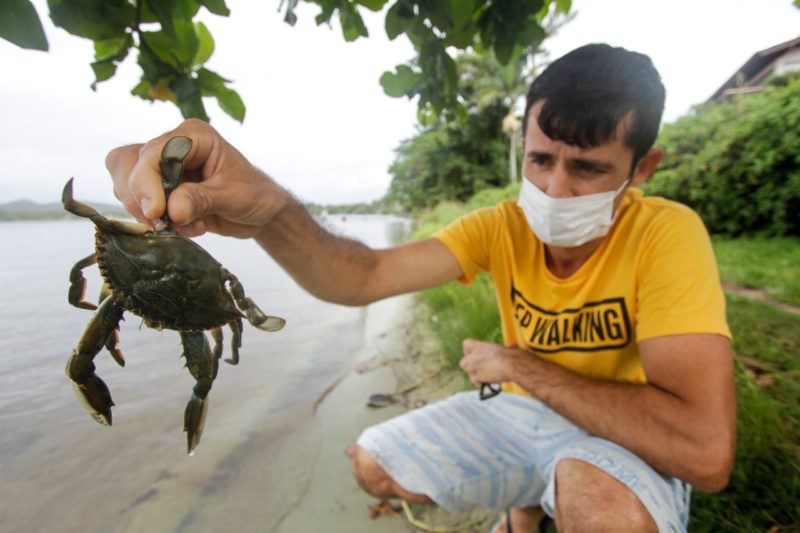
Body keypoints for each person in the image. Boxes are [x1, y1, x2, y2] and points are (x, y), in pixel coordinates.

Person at [106, 44, 736, 532]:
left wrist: (522, 366)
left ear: (642, 167)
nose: (554, 190)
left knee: (600, 508)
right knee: (372, 463)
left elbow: (705, 453)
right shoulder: (502, 226)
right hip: (521, 416)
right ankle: (526, 504)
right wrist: (271, 209)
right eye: (540, 159)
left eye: (589, 169)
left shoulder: (666, 236)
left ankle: (546, 499)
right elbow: (364, 276)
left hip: (619, 436)